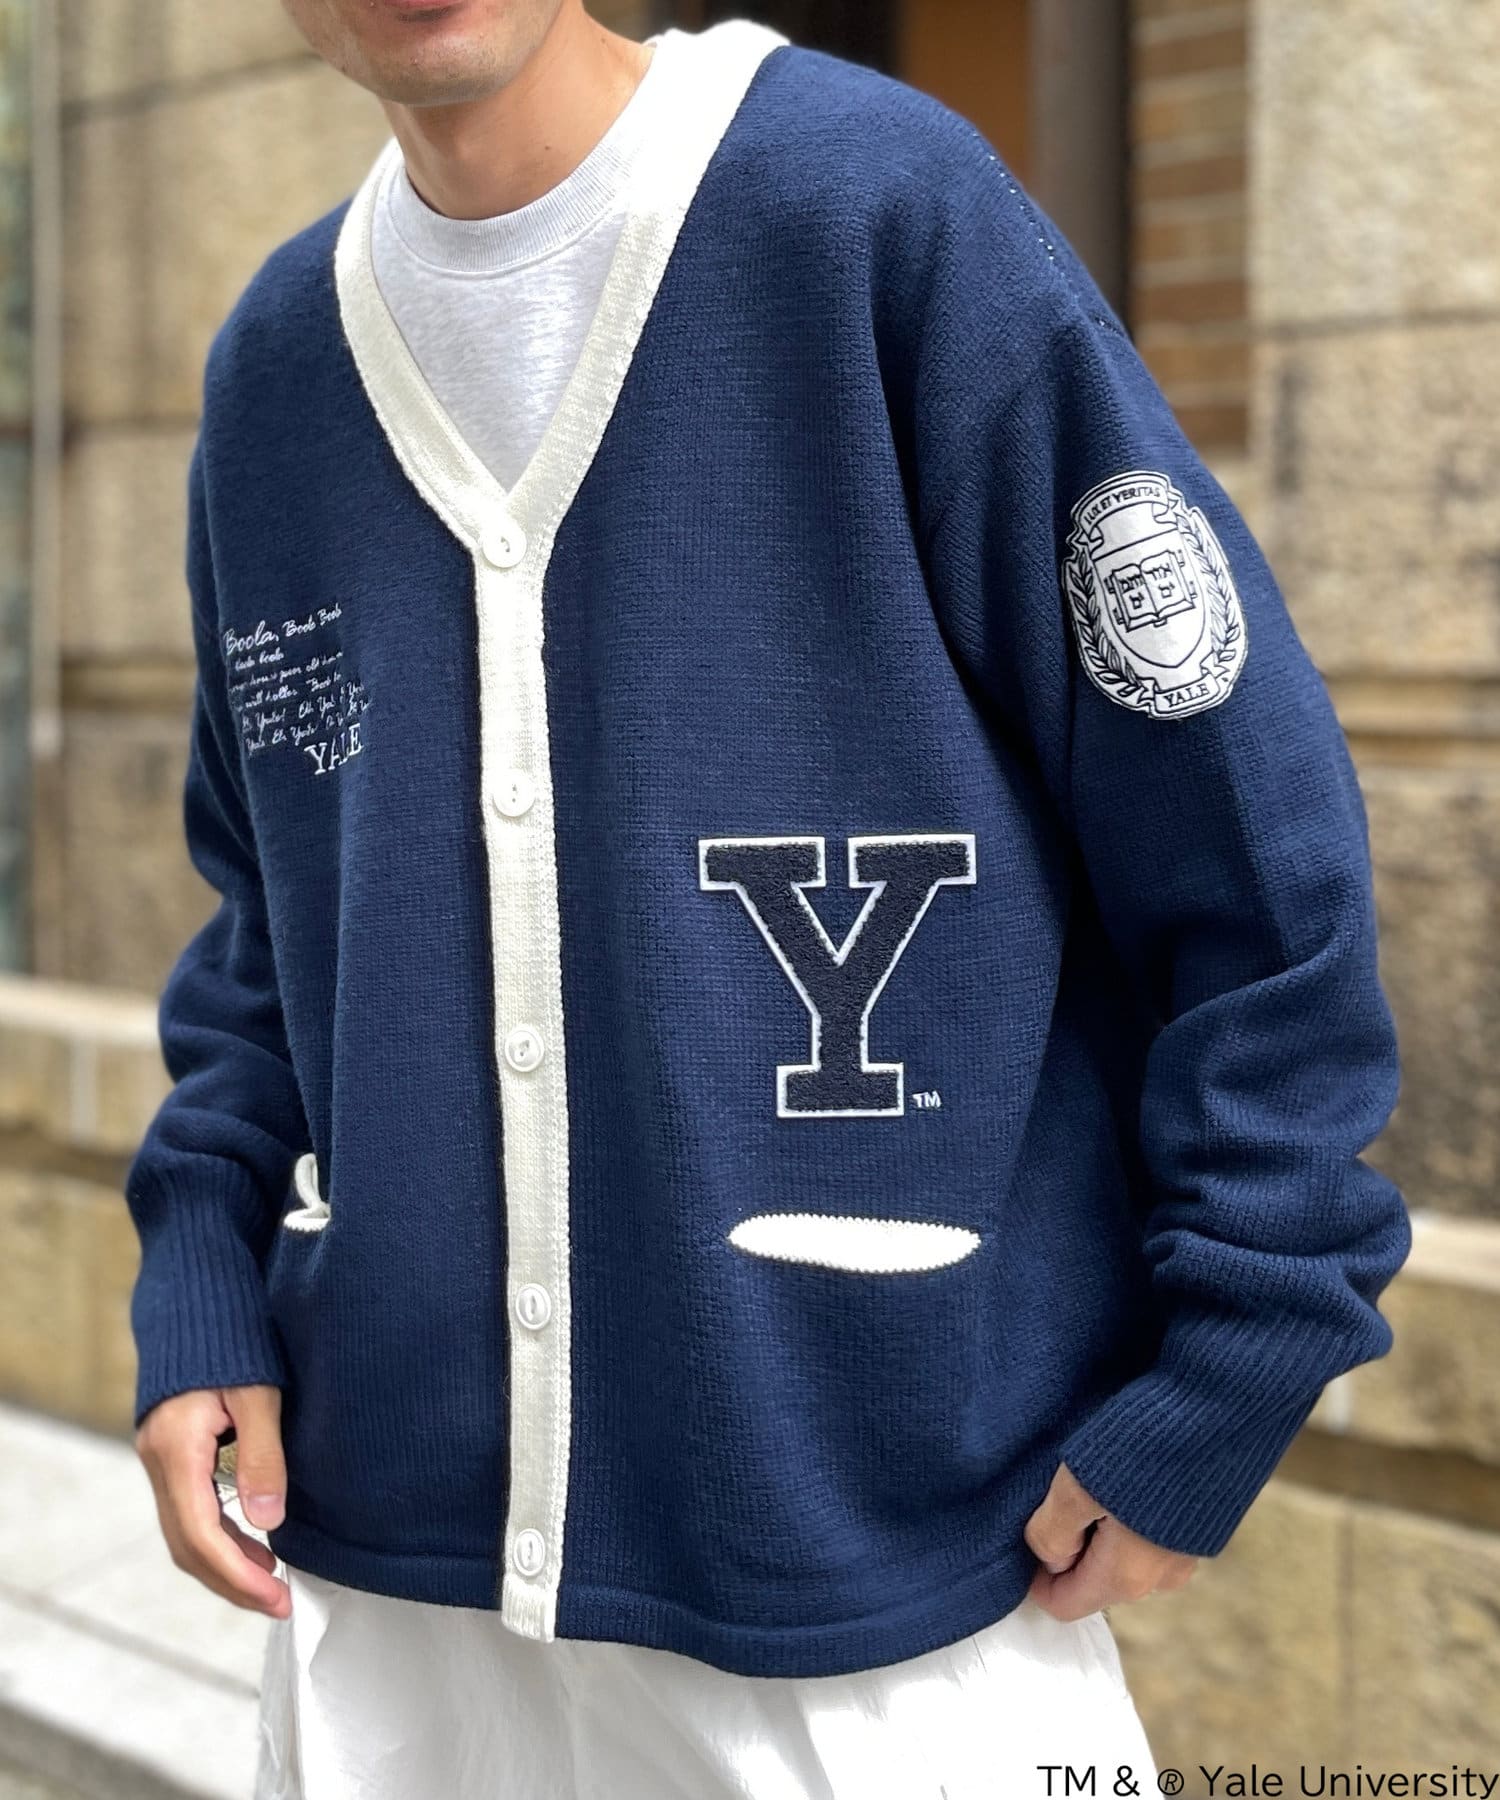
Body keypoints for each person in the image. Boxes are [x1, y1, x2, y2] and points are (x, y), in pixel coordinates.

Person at [122, 3, 1412, 1795]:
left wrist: (1245, 1346)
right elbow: (269, 925)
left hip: (880, 1577)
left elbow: (1238, 824)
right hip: (387, 1586)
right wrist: (203, 1281)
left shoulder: (871, 212)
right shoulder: (278, 367)